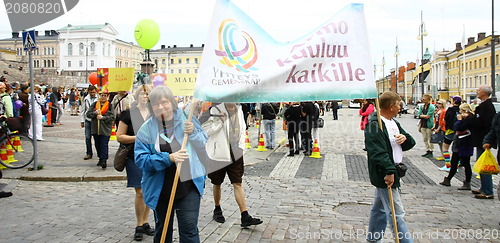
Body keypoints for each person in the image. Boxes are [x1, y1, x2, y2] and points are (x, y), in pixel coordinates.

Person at [134, 86, 207, 243]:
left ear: (172, 103)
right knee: (163, 230)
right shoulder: (146, 129)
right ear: (151, 107)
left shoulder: (187, 119)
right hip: (160, 189)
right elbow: (141, 159)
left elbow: (204, 144)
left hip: (189, 186)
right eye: (155, 104)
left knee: (189, 230)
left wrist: (194, 132)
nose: (160, 107)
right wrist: (168, 158)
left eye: (164, 102)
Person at [365, 91, 416, 243]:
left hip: (394, 170)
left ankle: (373, 239)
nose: (401, 107)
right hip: (385, 172)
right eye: (399, 104)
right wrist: (389, 171)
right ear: (392, 106)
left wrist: (405, 138)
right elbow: (377, 152)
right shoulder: (375, 124)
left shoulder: (393, 122)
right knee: (396, 213)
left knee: (379, 209)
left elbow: (411, 142)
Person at [202, 103, 263, 228]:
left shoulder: (239, 109)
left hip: (236, 152)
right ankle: (217, 208)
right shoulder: (214, 109)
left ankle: (244, 215)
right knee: (217, 182)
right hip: (219, 153)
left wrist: (241, 147)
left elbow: (242, 128)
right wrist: (219, 122)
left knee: (237, 182)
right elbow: (205, 129)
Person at [116, 85, 154, 241]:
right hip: (134, 157)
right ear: (137, 95)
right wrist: (138, 137)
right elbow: (120, 136)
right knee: (140, 192)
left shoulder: (155, 114)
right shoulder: (128, 114)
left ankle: (145, 221)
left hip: (152, 157)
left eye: (147, 94)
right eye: (142, 93)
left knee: (150, 191)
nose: (144, 96)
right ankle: (139, 224)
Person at [439, 103, 474, 190]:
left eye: (461, 110)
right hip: (461, 143)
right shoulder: (469, 118)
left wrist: (459, 120)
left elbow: (458, 127)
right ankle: (448, 179)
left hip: (464, 143)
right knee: (455, 162)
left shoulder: (469, 119)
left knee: (464, 163)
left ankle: (466, 182)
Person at [470, 85, 496, 199]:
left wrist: (471, 118)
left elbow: (484, 123)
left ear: (484, 93)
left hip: (483, 139)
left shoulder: (487, 106)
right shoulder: (484, 105)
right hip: (481, 138)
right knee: (480, 164)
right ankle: (483, 187)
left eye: (479, 90)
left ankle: (488, 190)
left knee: (484, 165)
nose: (477, 92)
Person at [86, 89, 115, 169]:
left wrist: (103, 117)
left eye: (105, 96)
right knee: (97, 144)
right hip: (96, 129)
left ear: (107, 96)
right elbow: (88, 114)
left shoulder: (110, 106)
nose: (103, 97)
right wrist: (94, 113)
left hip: (105, 129)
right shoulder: (95, 104)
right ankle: (100, 157)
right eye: (102, 95)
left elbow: (112, 117)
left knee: (104, 144)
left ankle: (104, 160)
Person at [440, 96, 461, 171]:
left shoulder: (450, 109)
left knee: (445, 148)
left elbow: (445, 119)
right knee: (456, 150)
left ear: (454, 101)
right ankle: (457, 166)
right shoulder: (461, 109)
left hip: (450, 130)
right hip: (459, 131)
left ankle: (448, 165)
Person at [81, 85, 98, 160]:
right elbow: (83, 110)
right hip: (88, 119)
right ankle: (89, 153)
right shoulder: (86, 99)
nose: (92, 94)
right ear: (88, 92)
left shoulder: (98, 98)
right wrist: (82, 120)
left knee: (96, 137)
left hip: (95, 120)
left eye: (93, 92)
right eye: (91, 92)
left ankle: (99, 153)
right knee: (88, 137)